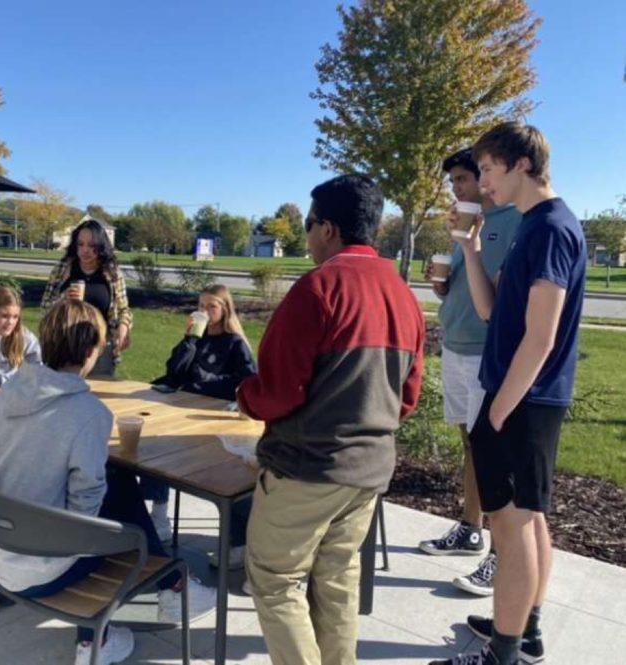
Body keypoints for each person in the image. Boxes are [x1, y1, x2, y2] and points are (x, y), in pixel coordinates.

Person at [0, 299, 216, 665]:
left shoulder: (4, 398)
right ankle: (98, 638)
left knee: (115, 483)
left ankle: (170, 587)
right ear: (89, 351)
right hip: (46, 569)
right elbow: (85, 510)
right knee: (114, 498)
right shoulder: (88, 413)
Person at [238, 175, 424, 665]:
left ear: (328, 228)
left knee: (275, 582)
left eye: (307, 224)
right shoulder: (404, 296)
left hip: (306, 469)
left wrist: (244, 396)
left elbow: (277, 392)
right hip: (368, 471)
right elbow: (407, 397)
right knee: (337, 583)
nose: (306, 235)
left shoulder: (317, 289)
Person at [432, 124, 586, 665]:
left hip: (522, 399)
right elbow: (494, 311)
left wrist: (498, 409)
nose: (483, 183)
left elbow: (542, 336)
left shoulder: (549, 228)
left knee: (511, 525)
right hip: (520, 397)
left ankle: (503, 652)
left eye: (490, 170)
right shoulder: (531, 225)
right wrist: (469, 250)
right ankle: (526, 629)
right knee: (530, 519)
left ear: (521, 164)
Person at [418, 148, 521, 597]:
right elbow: (464, 288)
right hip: (457, 346)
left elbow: (506, 296)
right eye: (454, 181)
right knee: (471, 445)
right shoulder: (464, 227)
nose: (457, 188)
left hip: (489, 352)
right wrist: (441, 284)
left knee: (497, 454)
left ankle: (502, 555)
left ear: (485, 177)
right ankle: (470, 528)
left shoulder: (514, 222)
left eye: (463, 179)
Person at [146, 283, 257, 560]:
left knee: (231, 469)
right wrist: (189, 340)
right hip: (184, 410)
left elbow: (248, 380)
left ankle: (238, 540)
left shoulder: (234, 343)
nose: (204, 311)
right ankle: (158, 512)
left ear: (225, 309)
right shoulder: (198, 337)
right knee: (152, 451)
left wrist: (206, 382)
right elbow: (173, 373)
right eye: (201, 305)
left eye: (211, 306)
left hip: (216, 416)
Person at [40, 218, 132, 376]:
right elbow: (44, 309)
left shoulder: (112, 273)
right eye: (80, 244)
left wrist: (124, 326)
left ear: (101, 247)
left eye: (91, 246)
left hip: (100, 348)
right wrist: (62, 299)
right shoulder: (62, 269)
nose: (85, 250)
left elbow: (124, 310)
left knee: (100, 395)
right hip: (64, 348)